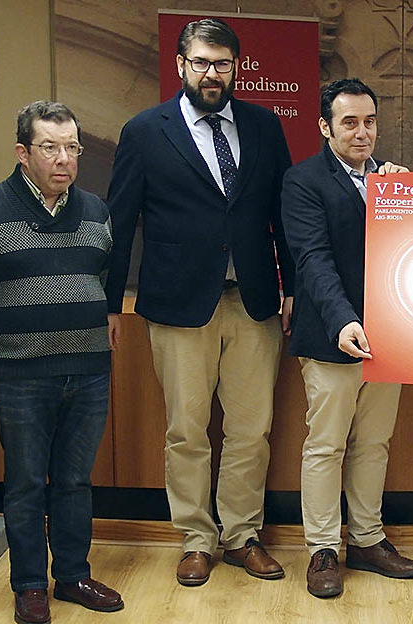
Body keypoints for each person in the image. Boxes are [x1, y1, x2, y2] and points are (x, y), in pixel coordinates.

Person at [104, 18, 294, 587]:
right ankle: (195, 538)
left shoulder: (264, 126)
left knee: (251, 429)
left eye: (223, 64)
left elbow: (284, 216)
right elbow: (120, 220)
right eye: (202, 62)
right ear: (181, 66)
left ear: (237, 68)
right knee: (186, 431)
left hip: (254, 302)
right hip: (178, 303)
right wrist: (109, 304)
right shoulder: (145, 131)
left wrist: (293, 290)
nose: (213, 73)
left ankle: (242, 535)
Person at [0, 101, 123, 624]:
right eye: (50, 148)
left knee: (74, 481)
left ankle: (72, 575)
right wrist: (4, 334)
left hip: (88, 372)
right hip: (20, 376)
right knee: (24, 485)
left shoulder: (96, 211)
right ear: (23, 153)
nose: (64, 159)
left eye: (72, 148)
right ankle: (29, 585)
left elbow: (101, 277)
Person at [281, 78, 413, 599]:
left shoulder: (392, 181)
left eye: (369, 122)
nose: (362, 132)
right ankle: (322, 548)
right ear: (325, 127)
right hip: (331, 338)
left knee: (374, 443)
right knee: (326, 445)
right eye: (349, 122)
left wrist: (408, 198)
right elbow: (312, 260)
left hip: (391, 339)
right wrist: (343, 320)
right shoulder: (303, 181)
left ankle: (367, 539)